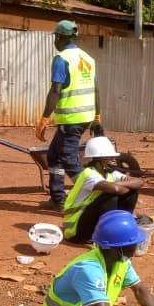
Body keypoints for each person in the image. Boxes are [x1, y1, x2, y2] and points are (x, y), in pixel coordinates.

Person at [35, 20, 100, 211]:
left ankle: (96, 195)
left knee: (69, 159)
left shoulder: (62, 59)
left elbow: (55, 90)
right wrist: (97, 116)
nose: (55, 40)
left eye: (56, 36)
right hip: (84, 116)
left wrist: (44, 119)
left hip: (72, 119)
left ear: (61, 37)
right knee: (54, 156)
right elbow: (96, 90)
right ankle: (58, 198)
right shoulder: (88, 58)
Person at [62, 136, 144, 241]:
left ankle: (122, 226)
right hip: (76, 230)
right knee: (111, 196)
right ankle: (107, 235)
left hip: (88, 223)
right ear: (98, 160)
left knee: (131, 191)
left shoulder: (109, 173)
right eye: (109, 157)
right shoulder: (88, 174)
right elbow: (116, 189)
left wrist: (120, 184)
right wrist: (122, 186)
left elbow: (139, 181)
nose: (114, 160)